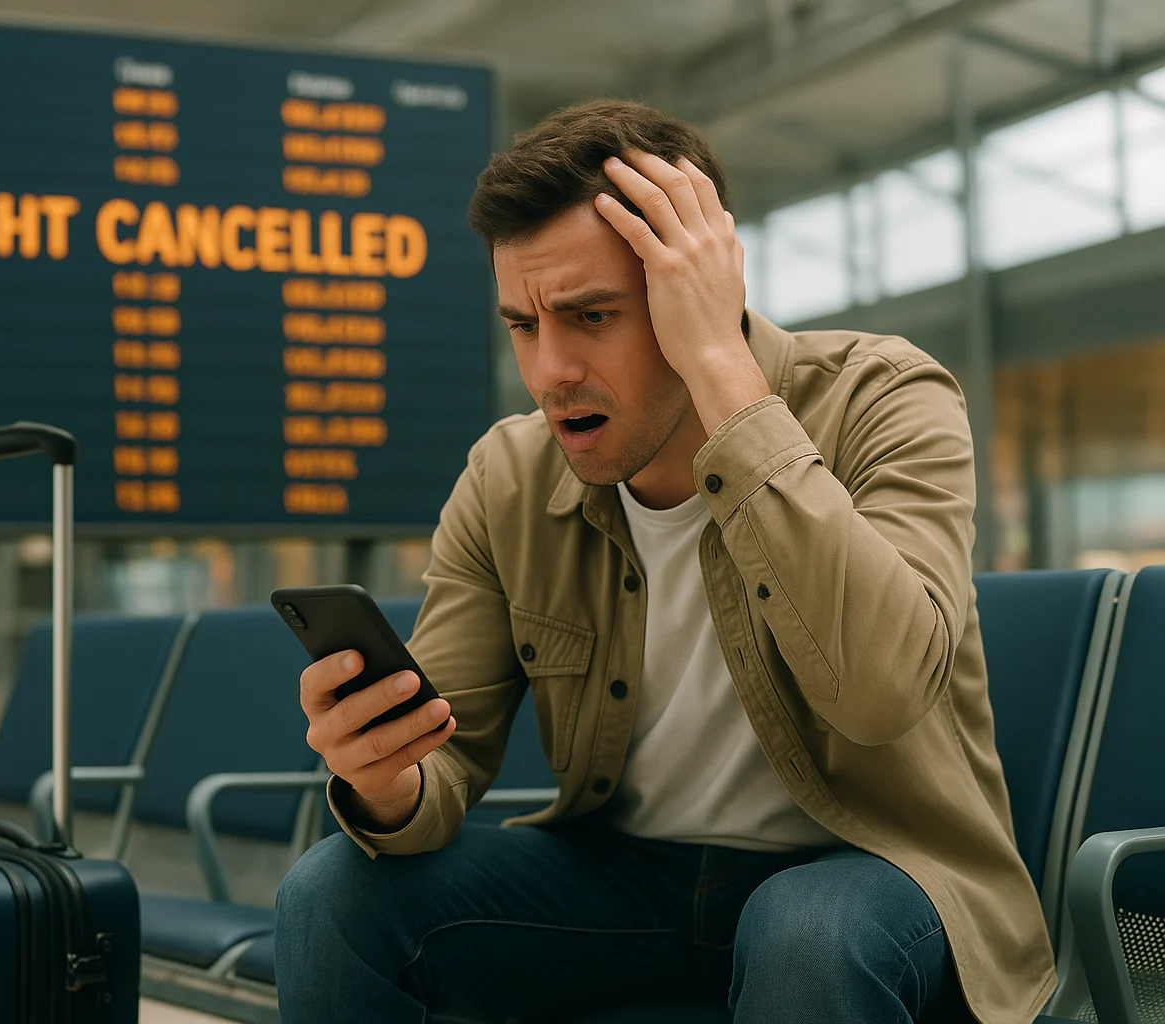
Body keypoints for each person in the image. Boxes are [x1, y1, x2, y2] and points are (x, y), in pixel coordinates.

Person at [274, 99, 1052, 1024]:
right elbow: (448, 764)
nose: (549, 368)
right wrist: (385, 780)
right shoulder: (508, 477)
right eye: (523, 325)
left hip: (872, 875)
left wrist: (722, 366)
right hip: (623, 882)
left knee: (804, 931)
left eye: (590, 315)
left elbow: (879, 693)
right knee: (332, 894)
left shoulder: (886, 399)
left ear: (699, 284)